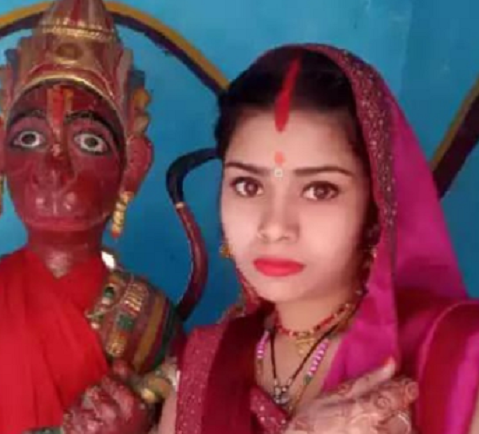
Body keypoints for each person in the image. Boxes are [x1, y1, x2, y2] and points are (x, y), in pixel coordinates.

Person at [156, 44, 479, 433]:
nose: (275, 226)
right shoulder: (202, 367)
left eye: (319, 190)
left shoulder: (458, 358)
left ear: (375, 204)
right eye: (247, 185)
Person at [0, 0, 208, 433]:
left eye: (89, 142)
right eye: (29, 139)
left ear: (132, 166)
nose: (54, 169)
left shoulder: (147, 319)